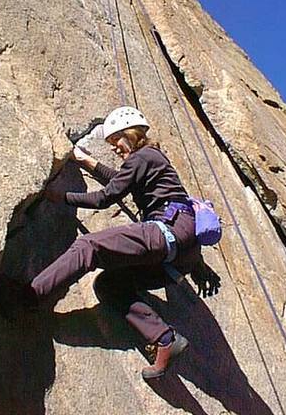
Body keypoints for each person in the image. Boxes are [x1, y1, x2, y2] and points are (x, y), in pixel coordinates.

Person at [22, 106, 212, 379]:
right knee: (109, 285)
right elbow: (122, 181)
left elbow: (105, 198)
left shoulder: (144, 155)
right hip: (178, 251)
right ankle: (164, 339)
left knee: (89, 247)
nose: (114, 149)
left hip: (165, 232)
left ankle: (29, 296)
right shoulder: (151, 160)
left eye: (115, 141)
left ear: (129, 133)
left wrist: (61, 197)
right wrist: (87, 162)